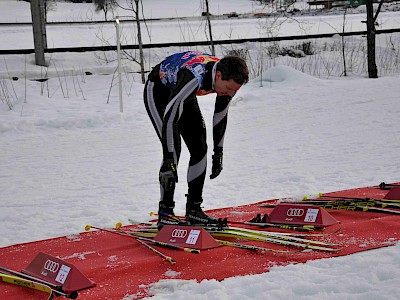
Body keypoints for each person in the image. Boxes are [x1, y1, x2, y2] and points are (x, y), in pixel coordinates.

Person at [143, 51, 249, 228]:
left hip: (183, 93)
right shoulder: (194, 76)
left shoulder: (227, 81)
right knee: (173, 148)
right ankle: (165, 212)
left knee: (200, 148)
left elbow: (220, 117)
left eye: (234, 91)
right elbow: (170, 116)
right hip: (159, 92)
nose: (229, 93)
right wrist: (169, 158)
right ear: (218, 75)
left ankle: (194, 210)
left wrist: (218, 153)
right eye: (228, 89)